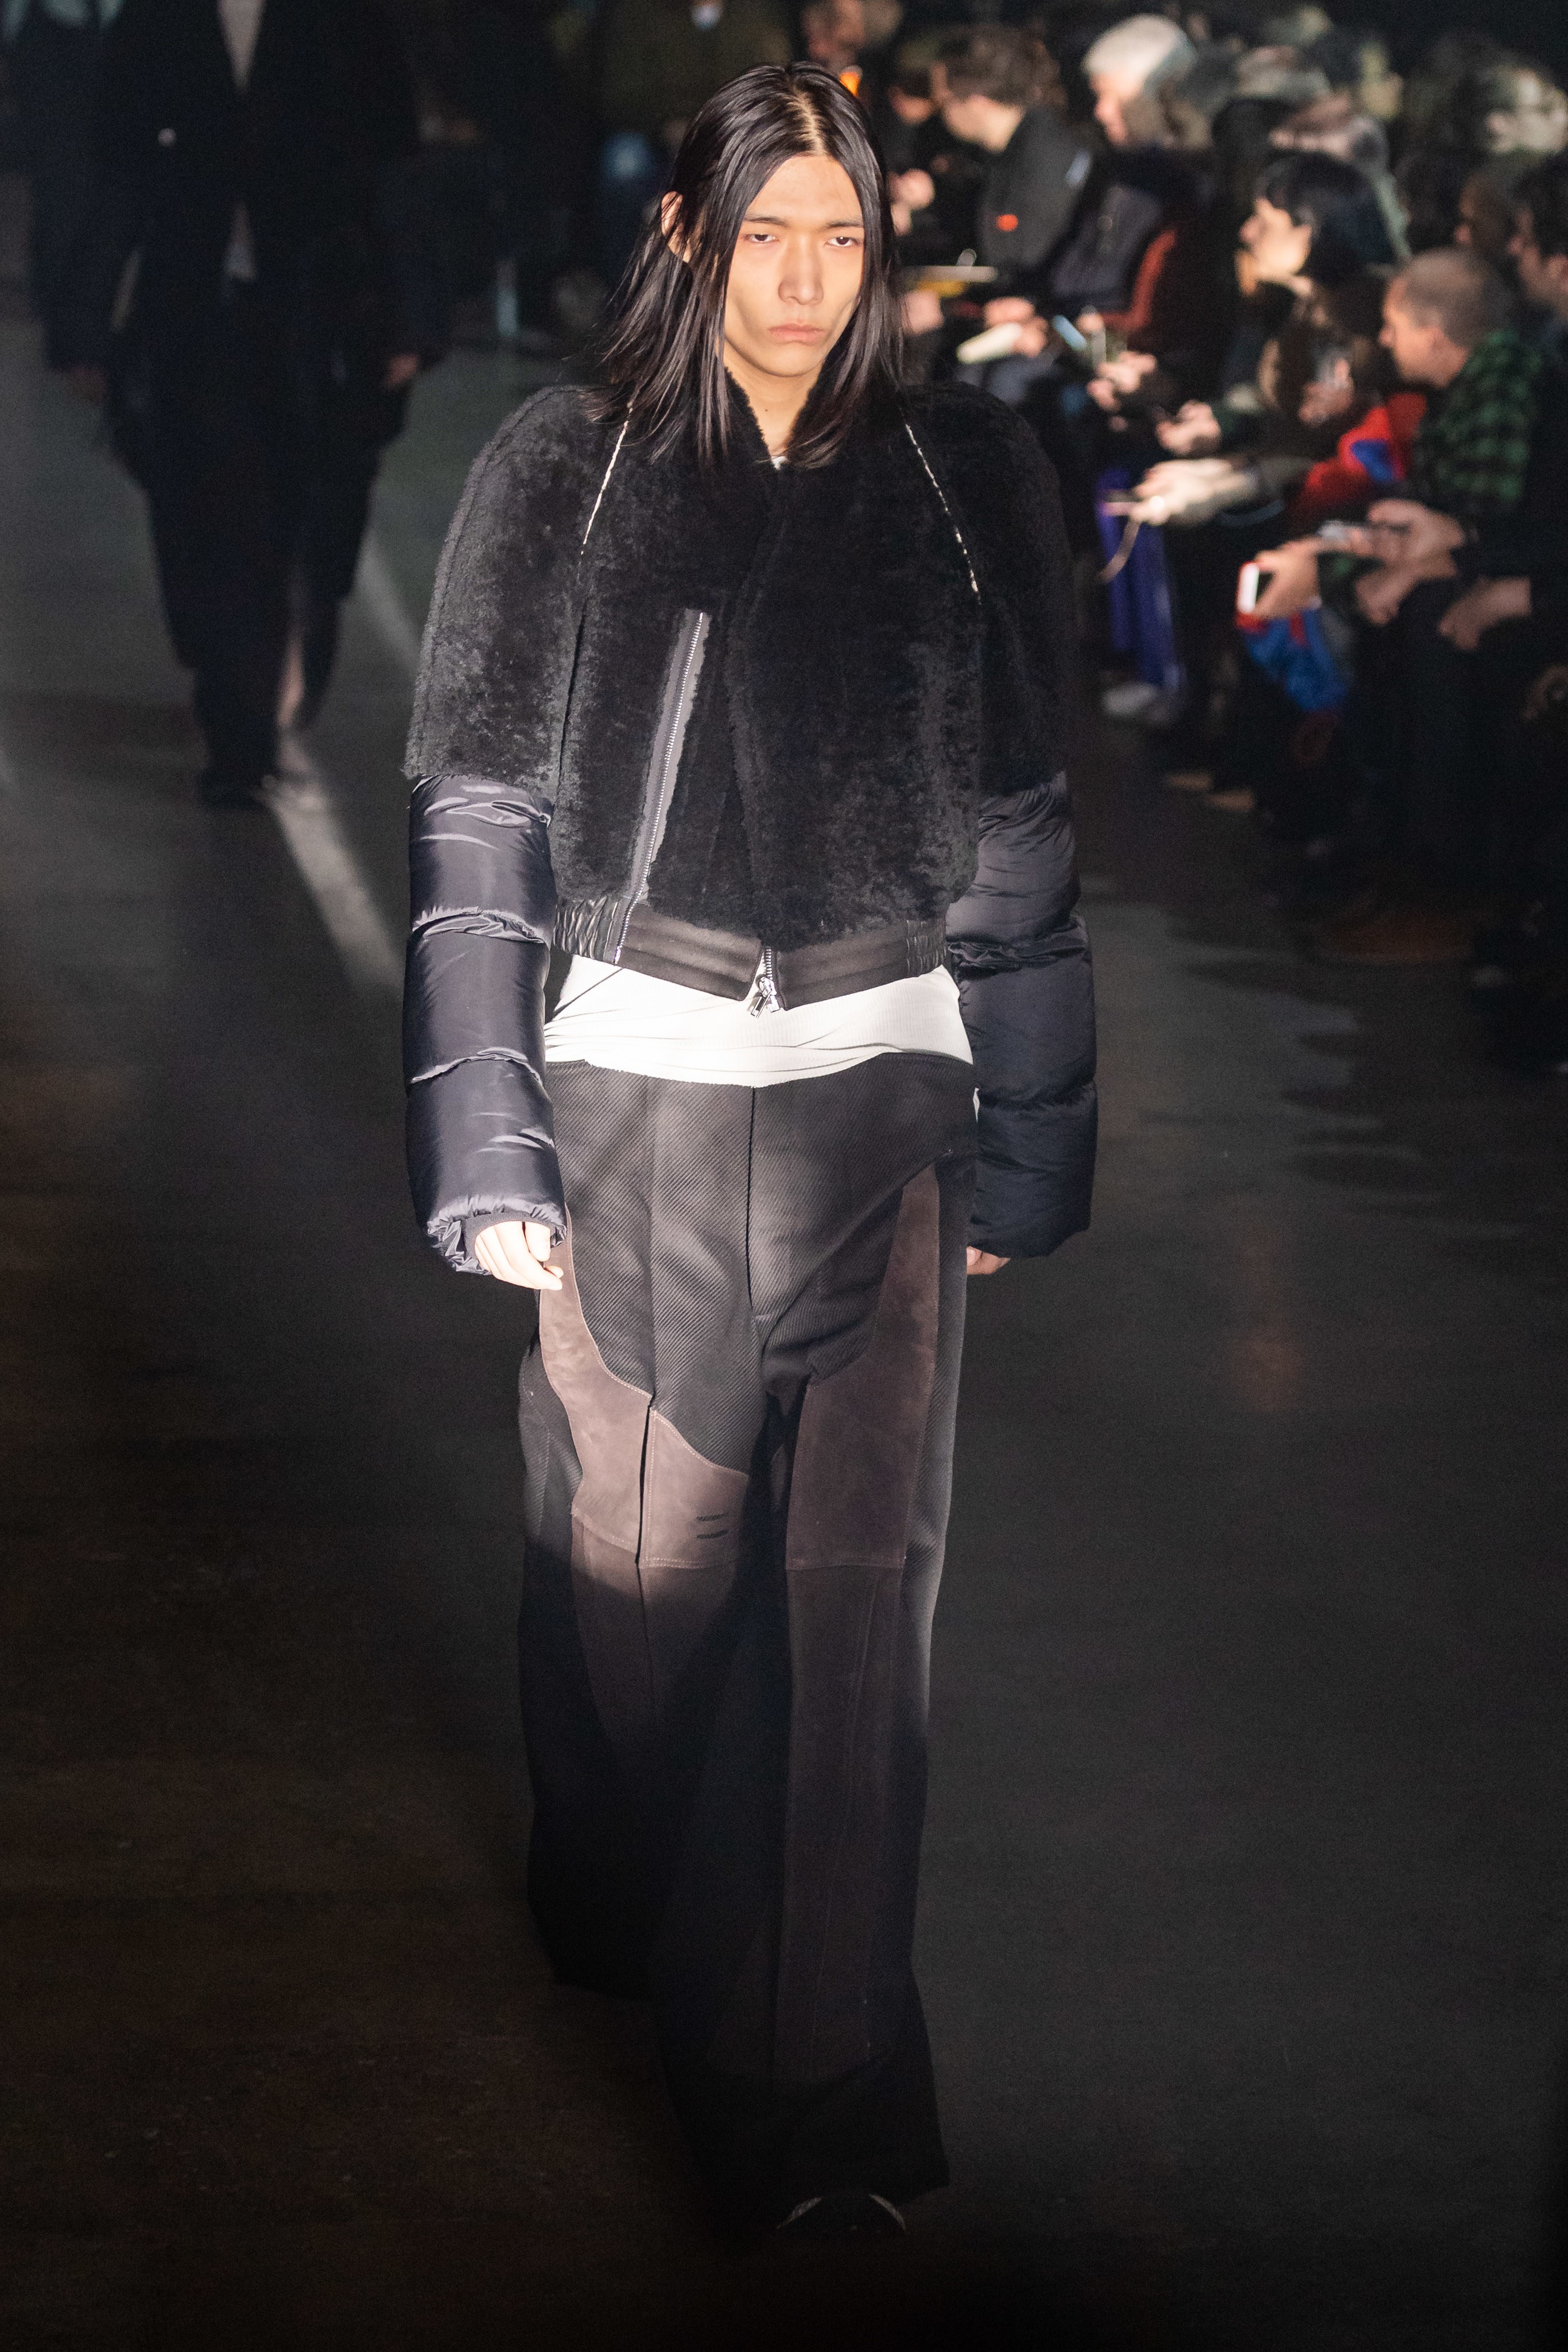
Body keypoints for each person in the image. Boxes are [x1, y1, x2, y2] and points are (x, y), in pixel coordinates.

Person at [402, 63, 1096, 2235]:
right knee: (643, 1593)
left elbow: (1018, 830)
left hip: (890, 1098)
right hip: (638, 1101)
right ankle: (622, 1890)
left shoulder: (965, 474)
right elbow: (483, 821)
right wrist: (488, 1142)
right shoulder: (571, 462)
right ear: (687, 237)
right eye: (767, 234)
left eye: (843, 237)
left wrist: (1032, 1144)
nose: (806, 281)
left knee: (851, 1620)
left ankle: (810, 2099)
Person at [81, 0, 444, 806]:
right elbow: (116, 166)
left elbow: (393, 163)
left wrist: (412, 315)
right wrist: (84, 318)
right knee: (212, 510)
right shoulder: (163, 16)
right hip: (197, 307)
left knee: (310, 505)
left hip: (323, 308)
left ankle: (272, 673)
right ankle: (239, 724)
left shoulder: (346, 20)